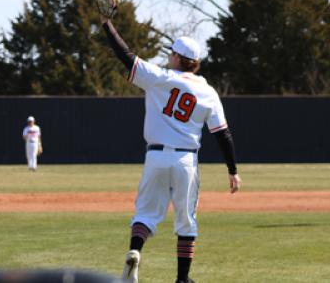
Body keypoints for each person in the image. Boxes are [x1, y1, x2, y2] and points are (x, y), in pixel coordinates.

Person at [100, 16, 241, 283]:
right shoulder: (208, 91)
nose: (169, 58)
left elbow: (126, 55)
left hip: (155, 156)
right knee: (186, 221)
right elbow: (223, 134)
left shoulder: (159, 78)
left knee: (145, 214)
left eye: (171, 54)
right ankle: (182, 279)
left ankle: (135, 251)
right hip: (186, 159)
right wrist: (232, 169)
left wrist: (108, 23)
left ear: (177, 57)